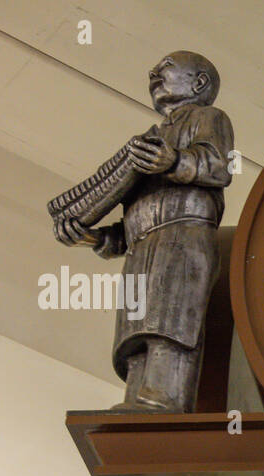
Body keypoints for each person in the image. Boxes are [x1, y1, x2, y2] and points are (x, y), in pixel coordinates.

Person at [56, 51, 233, 412]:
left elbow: (218, 167)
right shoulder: (149, 139)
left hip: (182, 235)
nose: (153, 74)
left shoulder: (207, 118)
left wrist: (176, 161)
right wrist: (93, 237)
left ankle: (162, 399)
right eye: (153, 70)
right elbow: (132, 218)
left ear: (199, 82)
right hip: (142, 242)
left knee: (168, 323)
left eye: (165, 68)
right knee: (136, 333)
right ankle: (137, 399)